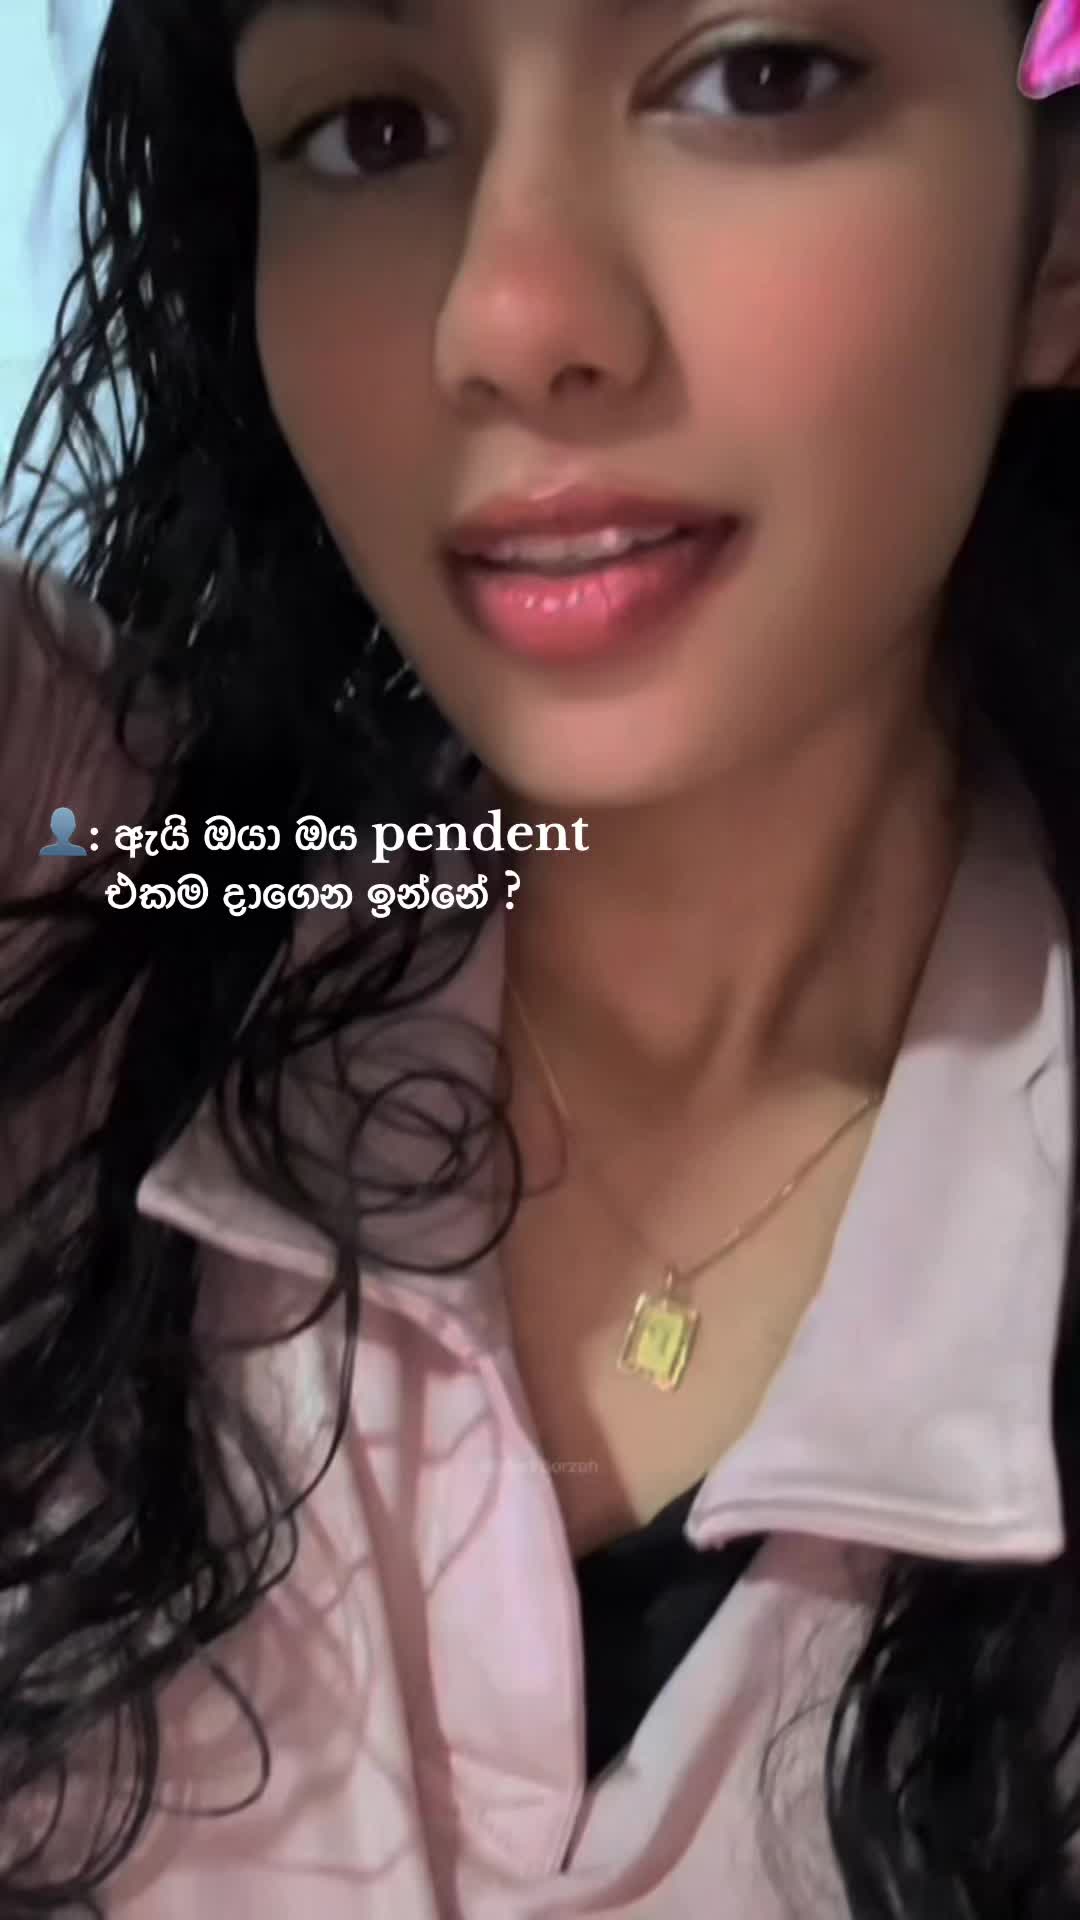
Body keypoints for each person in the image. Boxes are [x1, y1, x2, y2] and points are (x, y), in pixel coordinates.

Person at [1, 0, 1080, 1912]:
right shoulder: (118, 878)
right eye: (370, 129)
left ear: (1056, 233)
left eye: (755, 75)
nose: (504, 319)